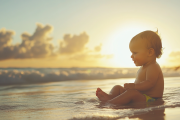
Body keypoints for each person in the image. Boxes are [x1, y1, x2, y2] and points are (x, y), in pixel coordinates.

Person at [96, 30, 164, 105]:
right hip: (140, 95)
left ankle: (110, 103)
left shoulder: (153, 66)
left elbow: (150, 83)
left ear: (150, 52)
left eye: (135, 53)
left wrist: (134, 86)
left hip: (151, 99)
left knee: (131, 93)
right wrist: (132, 88)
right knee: (118, 88)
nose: (131, 56)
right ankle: (110, 97)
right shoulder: (144, 67)